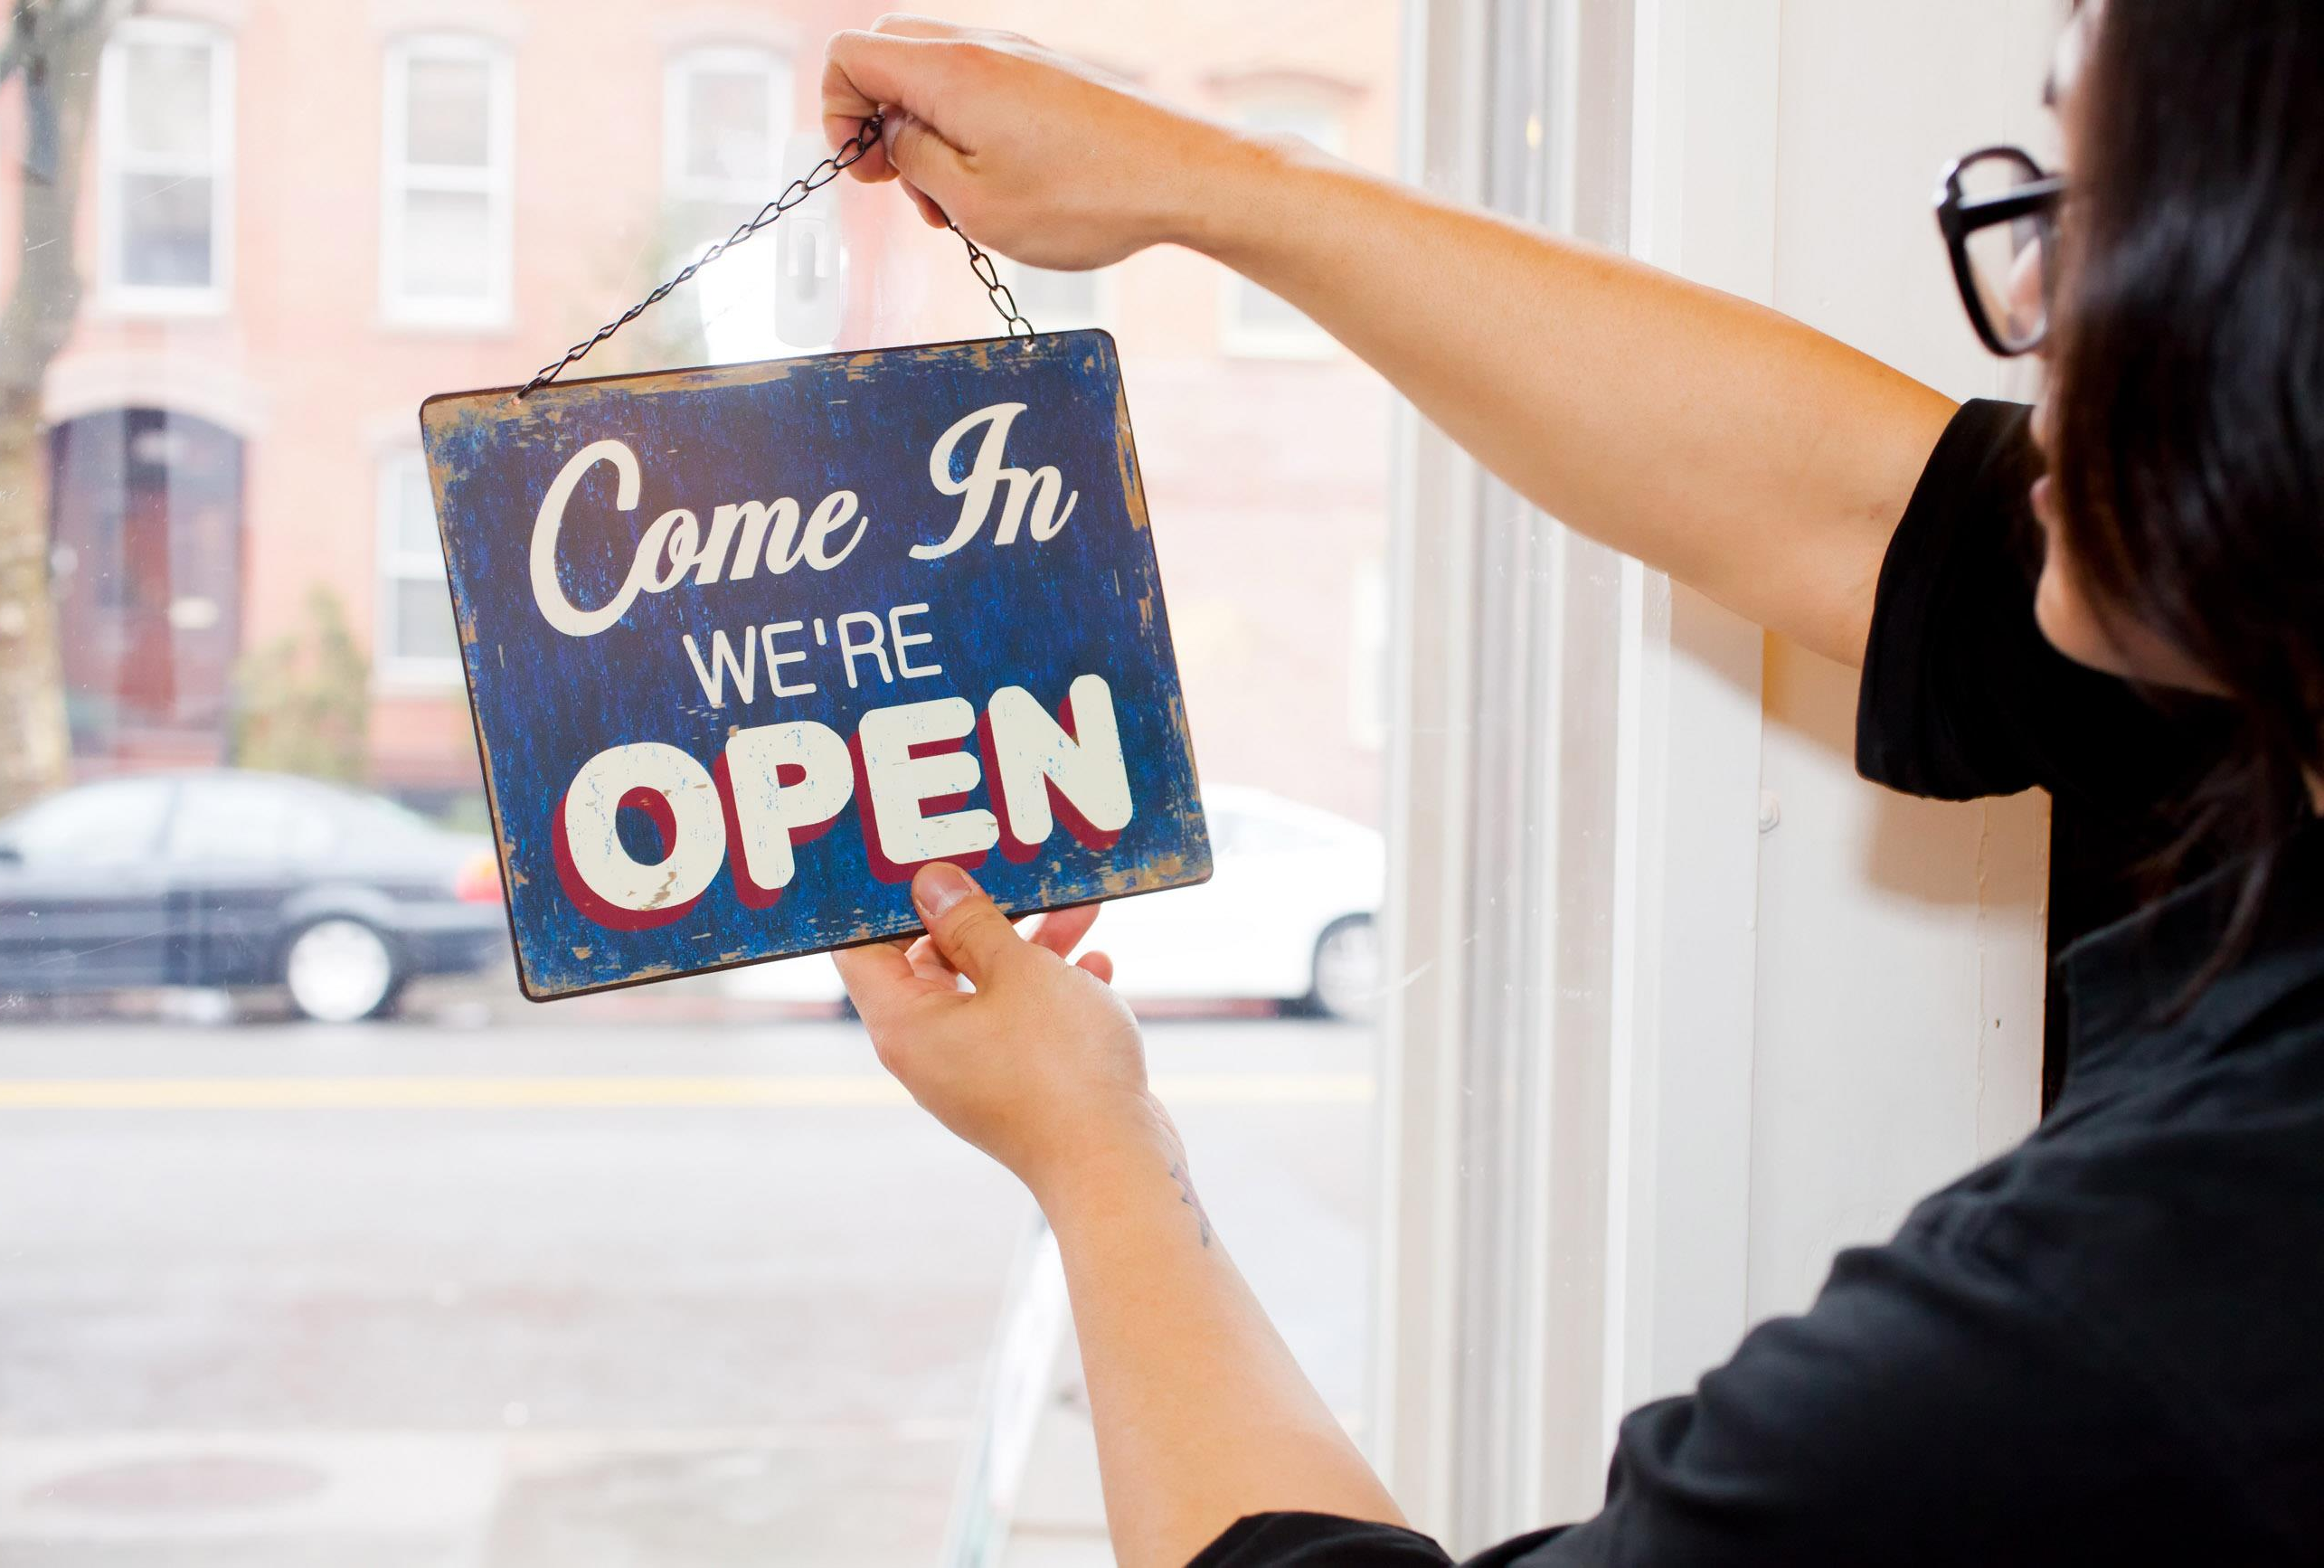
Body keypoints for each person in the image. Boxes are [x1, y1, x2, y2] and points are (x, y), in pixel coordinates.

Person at [823, 3, 2324, 1562]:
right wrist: (1205, 183)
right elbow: (1878, 521)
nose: (2030, 291)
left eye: (2103, 212)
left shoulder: (2121, 1327)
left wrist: (1094, 1141)